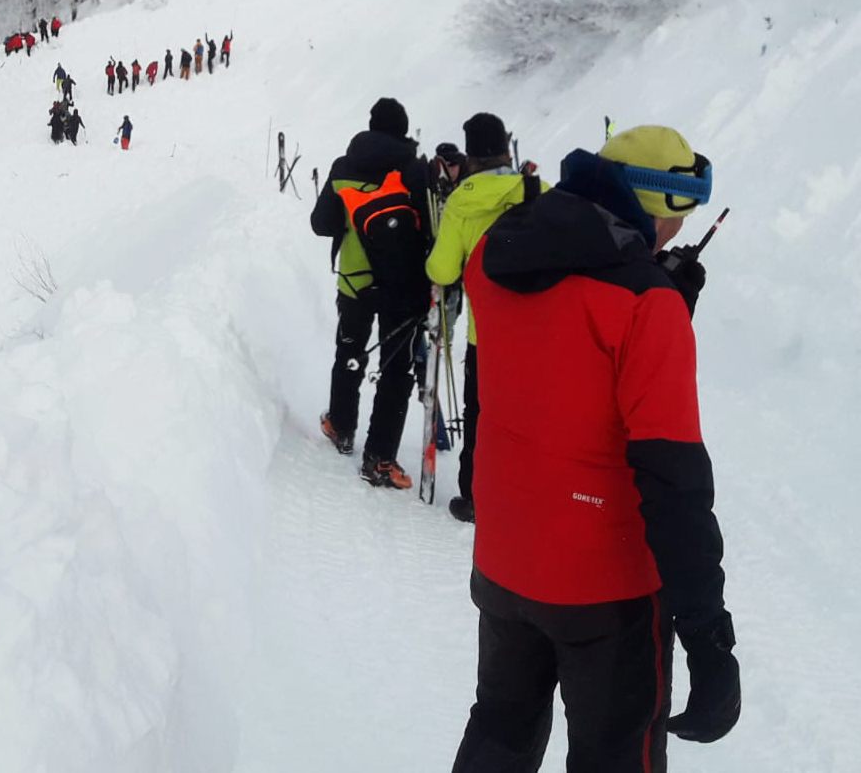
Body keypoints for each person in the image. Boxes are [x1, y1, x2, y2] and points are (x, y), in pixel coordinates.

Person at [450, 125, 735, 773]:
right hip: (606, 592)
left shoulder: (496, 254)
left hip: (505, 562)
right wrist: (710, 639)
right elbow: (674, 483)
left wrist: (656, 292)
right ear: (654, 203)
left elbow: (557, 362)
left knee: (499, 731)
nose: (679, 232)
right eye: (678, 213)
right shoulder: (644, 306)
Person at [423, 116, 546, 525]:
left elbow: (442, 270)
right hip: (542, 329)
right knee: (533, 412)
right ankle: (531, 492)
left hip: (488, 331)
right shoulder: (537, 191)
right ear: (506, 148)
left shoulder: (463, 200)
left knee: (481, 415)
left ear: (471, 153)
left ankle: (475, 497)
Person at [309, 98, 433, 490]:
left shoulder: (344, 167)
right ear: (403, 130)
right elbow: (431, 227)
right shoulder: (414, 170)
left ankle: (342, 426)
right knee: (396, 370)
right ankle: (379, 459)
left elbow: (321, 224)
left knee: (350, 353)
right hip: (403, 285)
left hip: (355, 280)